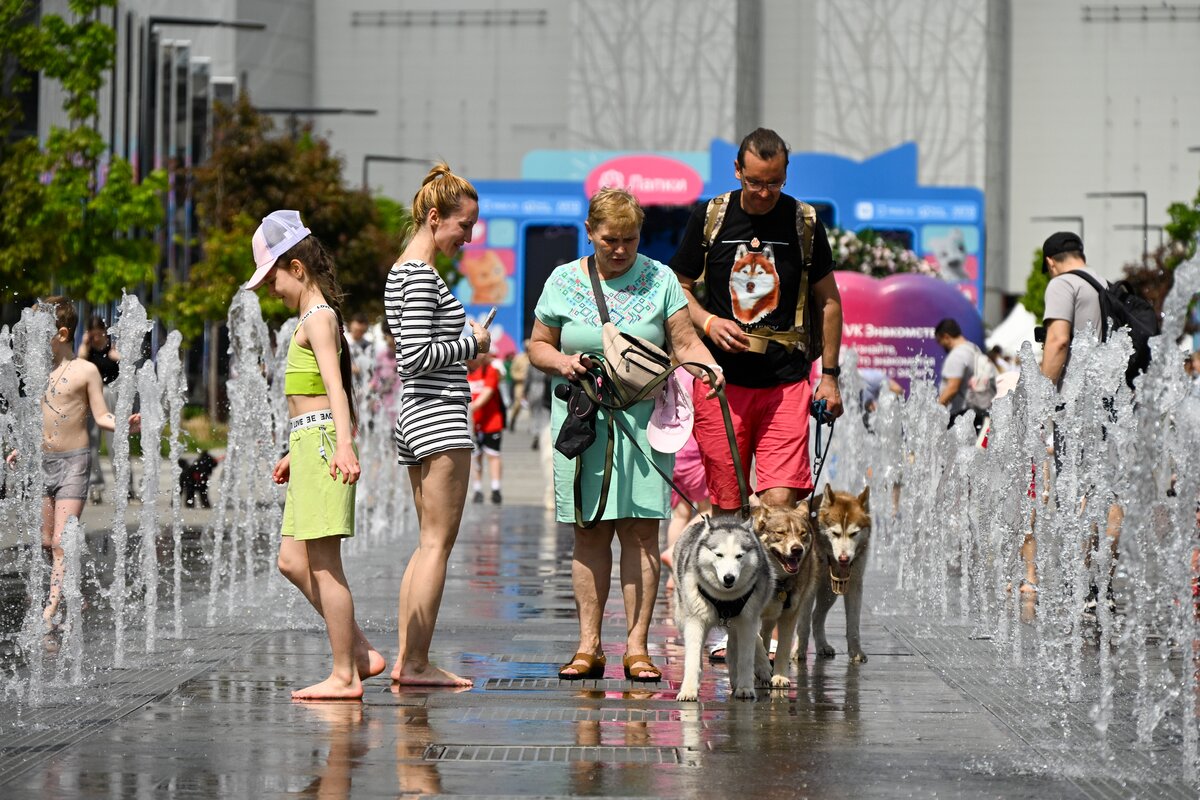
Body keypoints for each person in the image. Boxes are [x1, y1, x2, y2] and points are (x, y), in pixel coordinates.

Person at [529, 187, 723, 682]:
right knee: (589, 531)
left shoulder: (661, 279)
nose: (620, 249)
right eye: (610, 239)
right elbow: (538, 345)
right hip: (583, 420)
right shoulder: (562, 280)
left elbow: (685, 342)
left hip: (645, 422)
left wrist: (709, 369)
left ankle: (637, 648)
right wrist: (563, 362)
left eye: (630, 239)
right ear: (590, 232)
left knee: (641, 534)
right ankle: (588, 646)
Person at [245, 210, 383, 700]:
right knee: (291, 561)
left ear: (297, 268)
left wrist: (342, 444)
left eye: (274, 279)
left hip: (325, 444)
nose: (271, 290)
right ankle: (358, 651)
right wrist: (294, 451)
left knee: (325, 565)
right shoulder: (308, 319)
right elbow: (313, 398)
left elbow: (335, 388)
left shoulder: (319, 318)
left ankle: (345, 674)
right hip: (310, 443)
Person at [669, 127, 844, 513]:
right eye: (755, 182)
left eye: (774, 183)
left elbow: (829, 301)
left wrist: (830, 377)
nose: (764, 193)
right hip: (720, 383)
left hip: (785, 383)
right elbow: (676, 288)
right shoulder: (711, 216)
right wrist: (708, 322)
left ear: (786, 173)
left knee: (780, 505)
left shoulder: (804, 221)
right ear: (737, 170)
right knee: (728, 506)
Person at [385, 162, 491, 687]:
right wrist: (473, 342)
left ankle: (408, 658)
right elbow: (413, 357)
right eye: (463, 226)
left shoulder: (400, 272)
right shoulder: (422, 276)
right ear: (434, 217)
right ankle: (417, 663)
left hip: (415, 415)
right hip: (440, 416)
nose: (467, 238)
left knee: (426, 543)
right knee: (436, 545)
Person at [7, 297, 140, 638]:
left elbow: (101, 415)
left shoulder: (85, 371)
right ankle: (68, 590)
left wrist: (124, 424)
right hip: (42, 464)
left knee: (60, 541)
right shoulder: (38, 374)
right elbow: (37, 419)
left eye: (40, 335)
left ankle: (50, 607)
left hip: (74, 464)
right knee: (44, 540)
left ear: (62, 334)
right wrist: (22, 446)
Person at [1038, 230, 1123, 619]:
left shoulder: (1062, 284)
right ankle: (1101, 588)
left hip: (1076, 405)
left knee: (1075, 492)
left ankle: (1079, 585)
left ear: (1051, 261)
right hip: (1111, 402)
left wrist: (1040, 398)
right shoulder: (1106, 285)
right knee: (1107, 494)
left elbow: (1058, 341)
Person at [77, 315, 121, 505]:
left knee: (116, 442)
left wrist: (117, 357)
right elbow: (78, 365)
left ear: (104, 332)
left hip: (111, 394)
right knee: (91, 442)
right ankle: (95, 486)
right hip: (91, 396)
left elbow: (128, 367)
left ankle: (125, 486)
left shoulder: (112, 347)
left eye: (98, 335)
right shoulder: (87, 350)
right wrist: (84, 344)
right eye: (92, 335)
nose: (96, 339)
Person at [934, 317, 985, 432]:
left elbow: (952, 388)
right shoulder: (974, 349)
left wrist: (935, 412)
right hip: (975, 413)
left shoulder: (957, 355)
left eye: (940, 341)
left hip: (960, 416)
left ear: (946, 337)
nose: (941, 345)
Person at [466, 353, 504, 505]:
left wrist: (470, 408)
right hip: (472, 424)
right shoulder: (464, 372)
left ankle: (496, 488)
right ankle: (477, 489)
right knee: (476, 456)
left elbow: (487, 392)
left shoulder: (490, 370)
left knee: (493, 455)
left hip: (491, 422)